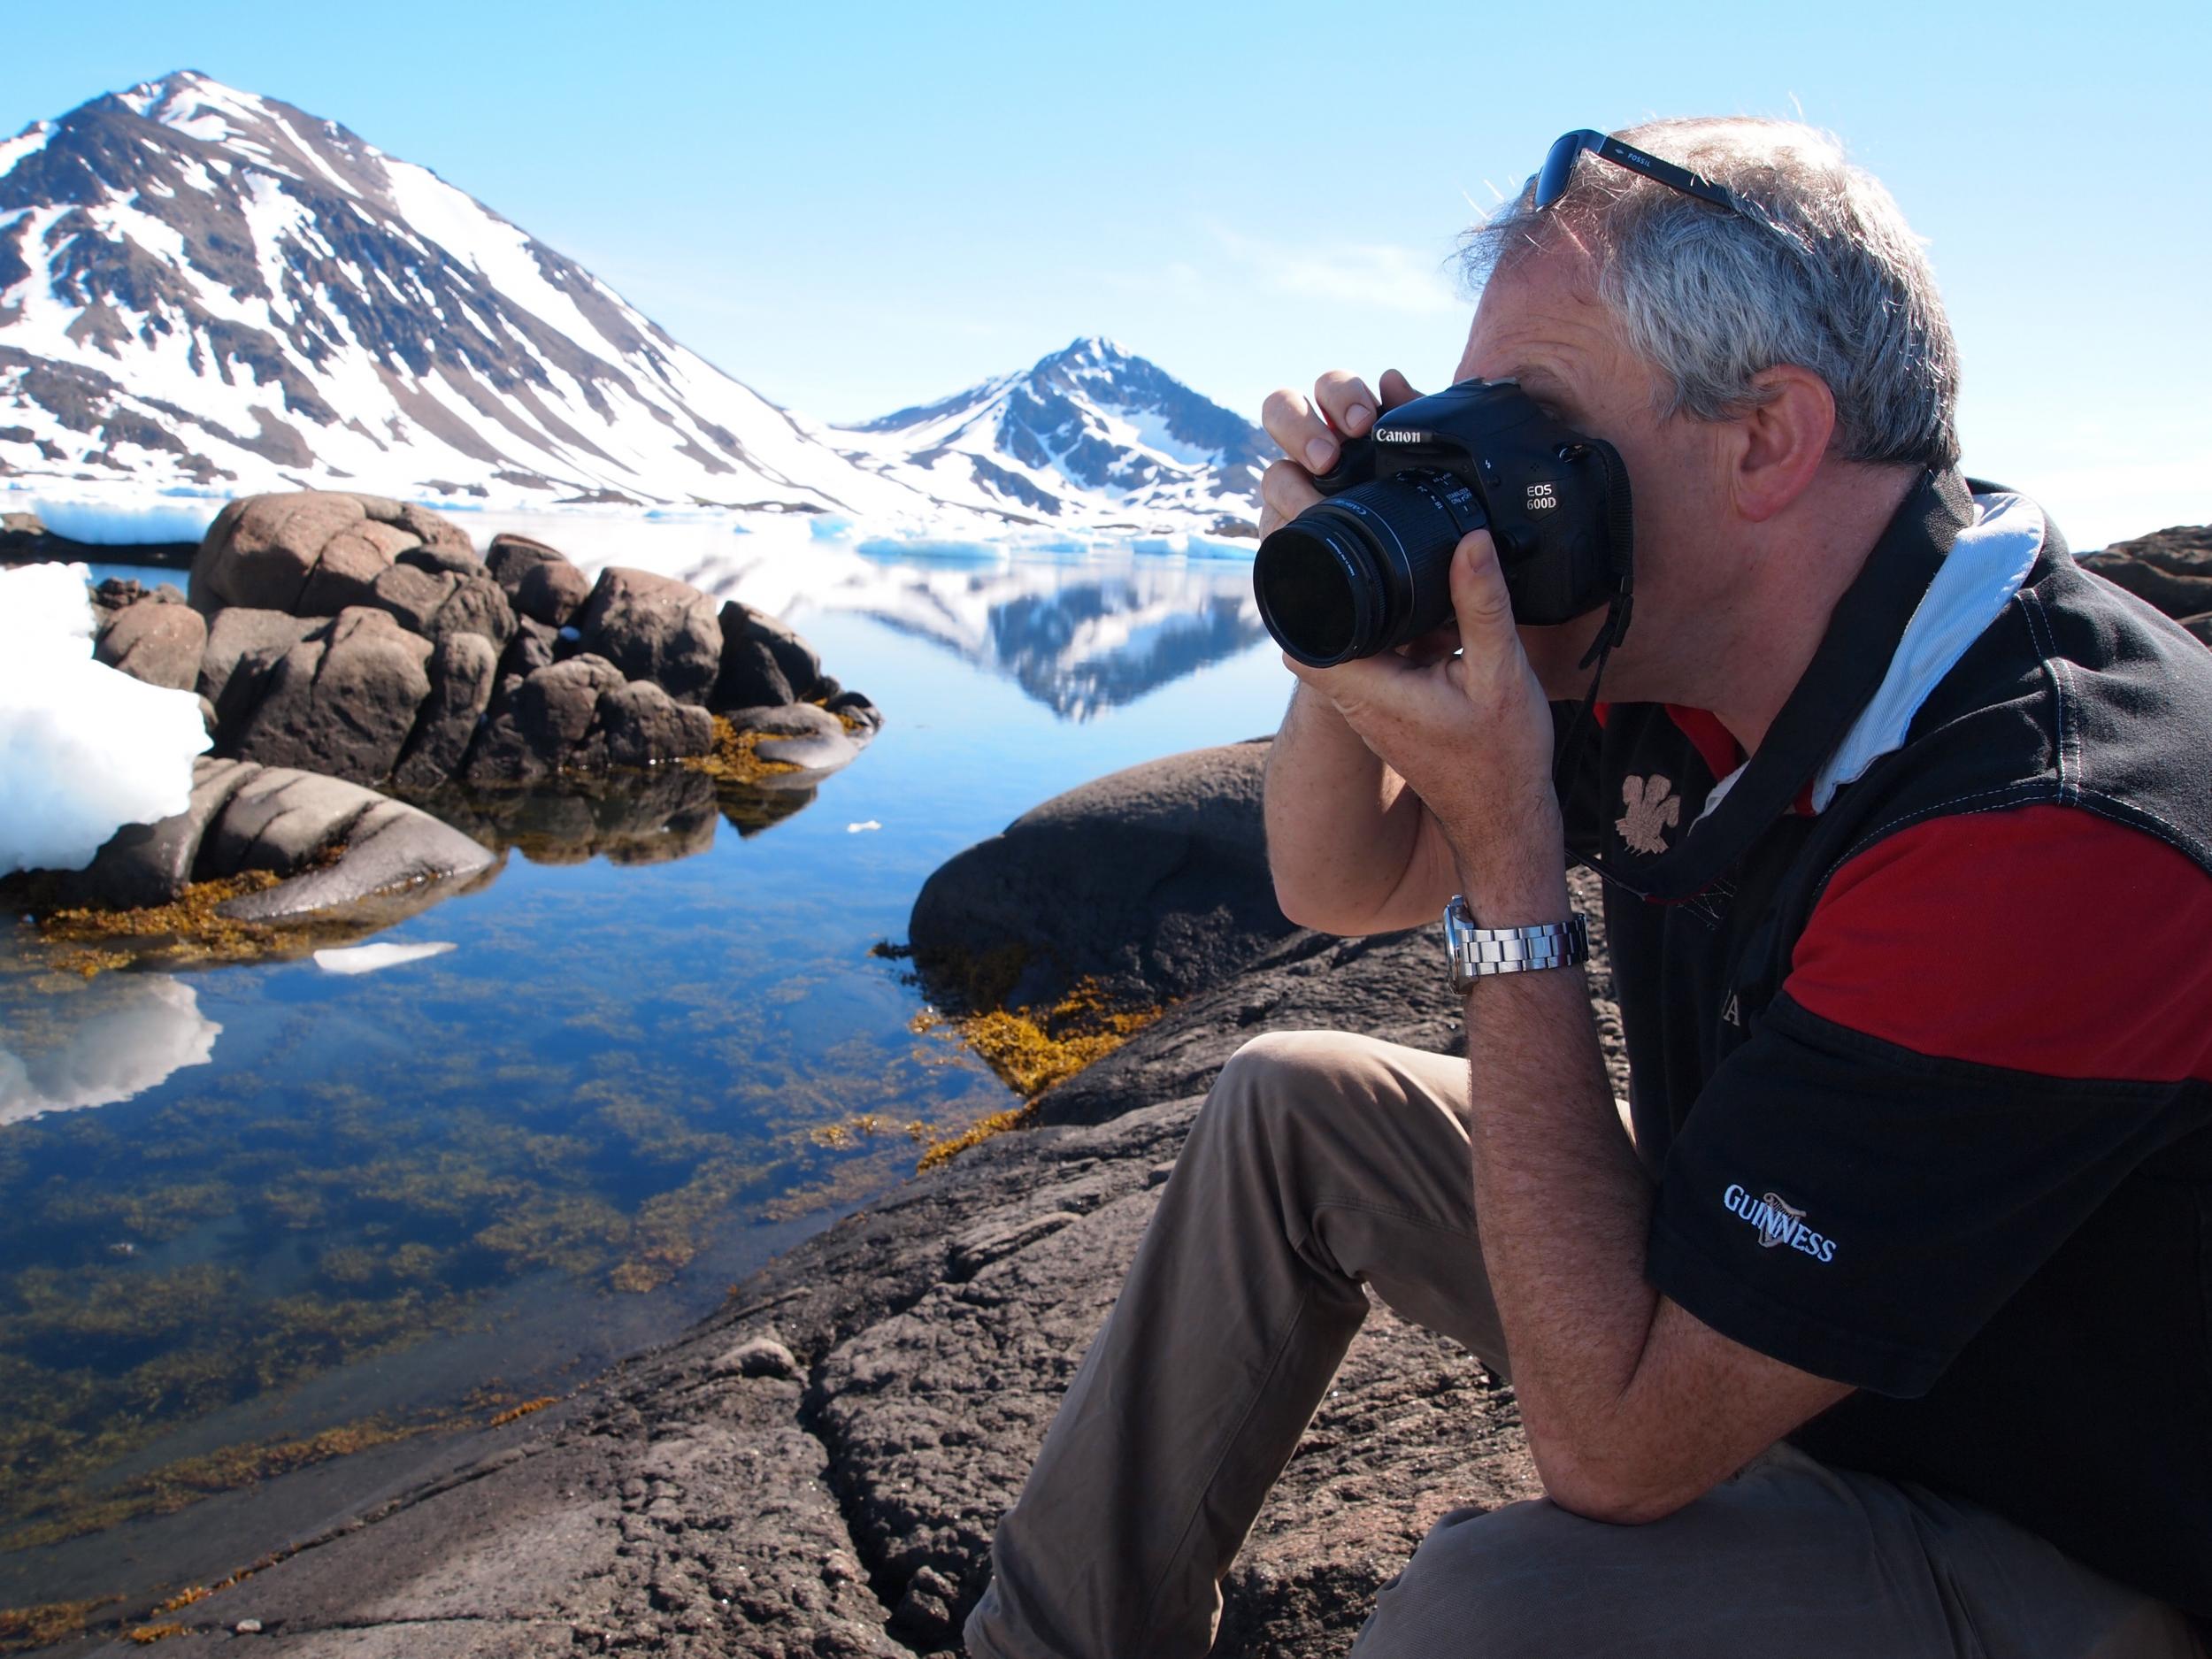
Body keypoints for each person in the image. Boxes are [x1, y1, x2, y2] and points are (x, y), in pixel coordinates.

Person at [963, 118, 2212, 1657]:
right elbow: (1338, 883)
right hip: (1779, 1301)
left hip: (2049, 1522)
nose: (1500, 476)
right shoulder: (1680, 629)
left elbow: (1616, 1451)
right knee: (1290, 1107)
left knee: (1496, 1616)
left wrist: (1511, 859)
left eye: (1533, 422)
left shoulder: (2048, 816)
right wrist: (1362, 611)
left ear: (1768, 438)